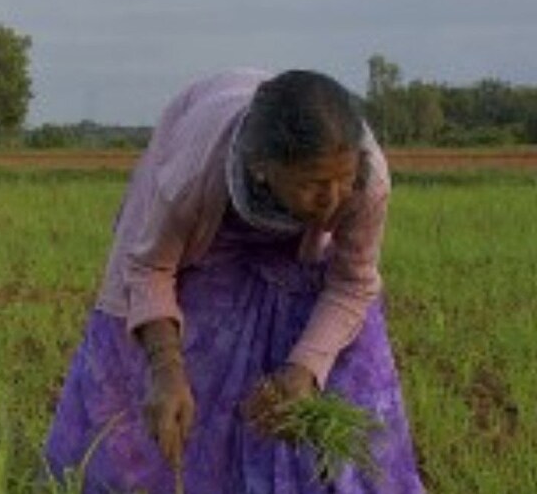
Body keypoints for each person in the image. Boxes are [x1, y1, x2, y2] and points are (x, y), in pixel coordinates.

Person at [44, 69, 425, 493]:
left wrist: (303, 371)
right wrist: (166, 369)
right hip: (207, 212)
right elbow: (151, 267)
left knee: (350, 381)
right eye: (315, 184)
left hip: (307, 249)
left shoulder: (366, 182)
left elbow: (352, 285)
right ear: (262, 168)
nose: (333, 198)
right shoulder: (191, 176)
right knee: (161, 389)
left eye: (343, 180)